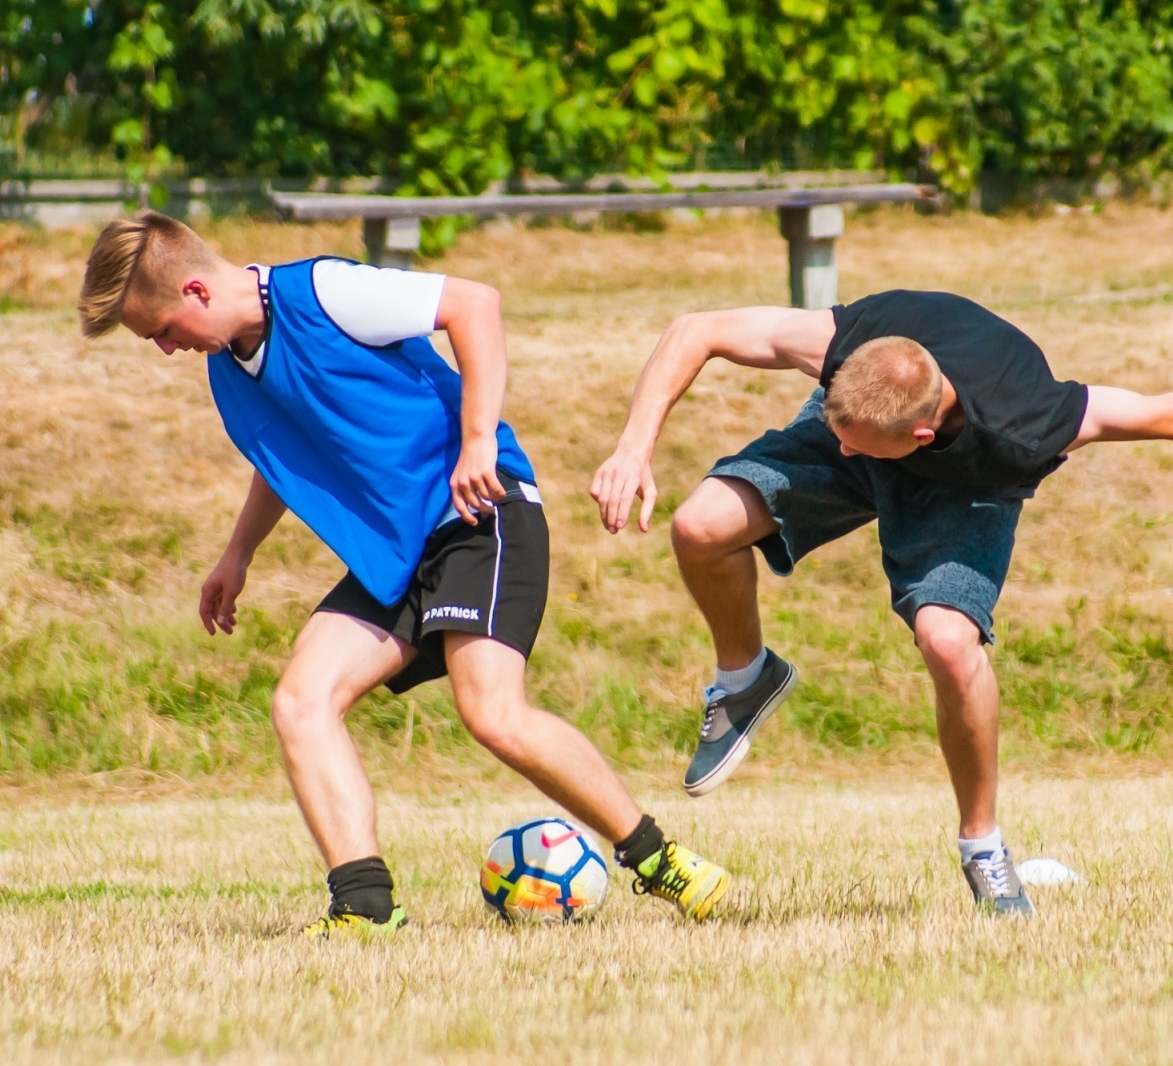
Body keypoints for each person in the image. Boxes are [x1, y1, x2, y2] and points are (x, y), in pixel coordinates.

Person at [589, 289, 1173, 916]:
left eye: (849, 439)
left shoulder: (1027, 420)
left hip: (963, 489)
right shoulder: (857, 355)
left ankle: (981, 845)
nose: (834, 444)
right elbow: (697, 328)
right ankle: (745, 677)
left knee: (950, 644)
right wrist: (634, 447)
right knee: (700, 526)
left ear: (918, 435)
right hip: (874, 415)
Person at [78, 210, 729, 937]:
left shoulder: (325, 293)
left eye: (161, 330)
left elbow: (475, 305)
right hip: (395, 552)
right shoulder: (229, 367)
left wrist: (478, 443)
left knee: (493, 713)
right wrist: (239, 553)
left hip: (477, 513)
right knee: (302, 702)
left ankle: (661, 860)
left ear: (196, 291)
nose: (166, 349)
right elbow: (288, 451)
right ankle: (364, 908)